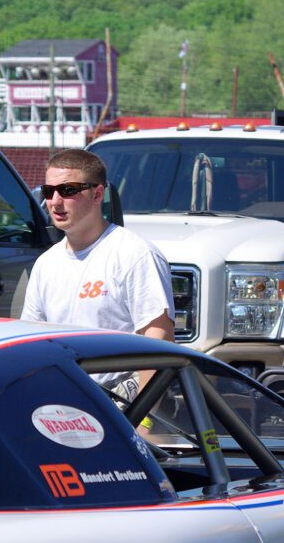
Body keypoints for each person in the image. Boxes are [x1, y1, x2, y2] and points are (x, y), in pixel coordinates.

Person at [22, 149, 175, 399]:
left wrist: (145, 421)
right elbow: (32, 344)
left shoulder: (134, 254)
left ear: (98, 194)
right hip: (63, 397)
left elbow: (160, 341)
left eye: (68, 190)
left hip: (119, 400)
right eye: (49, 191)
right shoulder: (45, 264)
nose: (55, 201)